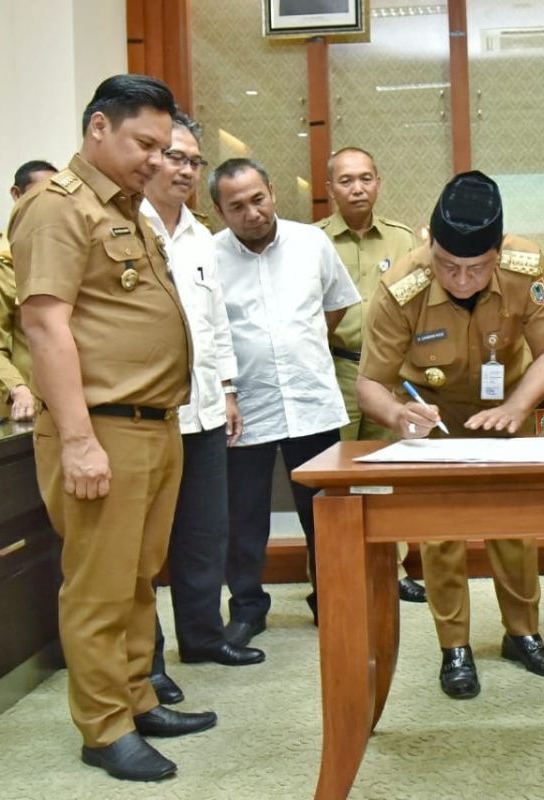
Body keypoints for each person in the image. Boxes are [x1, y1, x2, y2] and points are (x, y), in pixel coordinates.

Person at [9, 74, 217, 783]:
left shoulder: (127, 210)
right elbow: (44, 324)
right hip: (100, 427)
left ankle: (136, 696)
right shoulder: (57, 209)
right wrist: (76, 440)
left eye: (166, 147)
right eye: (145, 144)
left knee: (134, 578)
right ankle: (103, 728)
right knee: (97, 586)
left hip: (155, 425)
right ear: (99, 128)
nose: (158, 161)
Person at [358, 170, 544, 700]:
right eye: (447, 266)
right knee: (440, 533)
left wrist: (519, 406)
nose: (460, 280)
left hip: (508, 405)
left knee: (515, 527)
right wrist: (400, 416)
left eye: (476, 268)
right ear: (431, 247)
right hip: (435, 413)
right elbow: (369, 384)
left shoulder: (525, 265)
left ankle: (523, 633)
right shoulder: (400, 287)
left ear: (498, 254)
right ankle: (454, 646)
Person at [210, 158, 360, 646]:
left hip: (310, 397)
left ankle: (331, 598)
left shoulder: (312, 243)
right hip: (244, 405)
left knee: (322, 511)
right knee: (243, 515)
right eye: (237, 206)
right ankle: (249, 606)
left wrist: (304, 344)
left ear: (272, 191)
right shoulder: (208, 257)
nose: (252, 212)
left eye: (258, 199)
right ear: (219, 211)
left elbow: (336, 303)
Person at [141, 115, 264, 709]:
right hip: (148, 413)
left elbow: (214, 326)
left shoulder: (199, 235)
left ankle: (203, 636)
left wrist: (228, 389)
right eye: (174, 157)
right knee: (146, 545)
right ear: (147, 160)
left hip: (206, 409)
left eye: (194, 161)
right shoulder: (124, 224)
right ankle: (148, 663)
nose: (186, 170)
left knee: (204, 534)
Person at [316, 146, 425, 604]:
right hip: (334, 368)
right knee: (334, 476)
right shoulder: (313, 241)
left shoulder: (404, 242)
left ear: (379, 182)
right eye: (346, 180)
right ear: (329, 189)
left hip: (388, 376)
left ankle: (392, 567)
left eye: (365, 178)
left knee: (388, 472)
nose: (357, 188)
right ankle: (333, 571)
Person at [0, 161, 57, 421]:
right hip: (29, 408)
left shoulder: (75, 257)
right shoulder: (6, 266)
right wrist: (17, 390)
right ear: (17, 194)